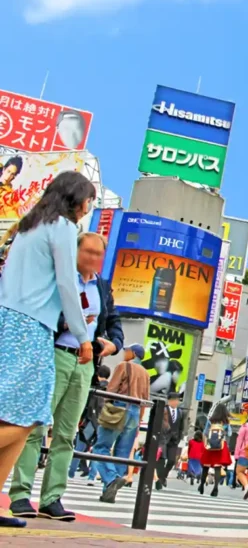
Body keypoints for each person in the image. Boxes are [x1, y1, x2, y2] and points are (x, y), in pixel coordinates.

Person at [0, 171, 95, 528]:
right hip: (31, 326)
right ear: (76, 199)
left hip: (8, 319)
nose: (89, 207)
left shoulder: (29, 225)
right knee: (28, 416)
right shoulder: (64, 229)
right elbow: (67, 284)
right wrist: (84, 336)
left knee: (13, 414)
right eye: (88, 199)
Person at [8, 230, 123, 521]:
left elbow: (113, 322)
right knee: (35, 428)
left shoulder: (103, 286)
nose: (94, 259)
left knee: (66, 434)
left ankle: (52, 498)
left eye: (99, 254)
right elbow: (45, 312)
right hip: (56, 353)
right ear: (76, 251)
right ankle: (21, 494)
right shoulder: (61, 278)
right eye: (88, 252)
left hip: (85, 363)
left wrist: (113, 344)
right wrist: (70, 323)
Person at [95, 344, 150, 504]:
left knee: (101, 447)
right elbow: (145, 399)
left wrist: (106, 404)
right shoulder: (145, 373)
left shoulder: (123, 366)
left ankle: (111, 479)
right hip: (135, 413)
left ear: (133, 353)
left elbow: (111, 389)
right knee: (123, 453)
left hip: (118, 409)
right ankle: (109, 491)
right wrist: (139, 419)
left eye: (126, 351)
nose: (124, 353)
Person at [68, 364, 111, 483]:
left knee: (79, 447)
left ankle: (70, 473)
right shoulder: (111, 388)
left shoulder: (94, 387)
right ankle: (92, 476)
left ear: (97, 375)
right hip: (104, 422)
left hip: (90, 420)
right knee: (97, 449)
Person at [199, 403, 232, 497]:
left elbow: (205, 432)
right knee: (217, 467)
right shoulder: (225, 422)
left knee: (206, 466)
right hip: (220, 446)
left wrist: (205, 443)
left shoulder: (210, 421)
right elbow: (229, 434)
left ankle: (201, 485)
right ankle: (215, 488)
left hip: (209, 445)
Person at [156, 392, 187, 491]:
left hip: (174, 440)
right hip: (163, 438)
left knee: (172, 460)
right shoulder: (163, 409)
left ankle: (163, 476)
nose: (175, 402)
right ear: (169, 400)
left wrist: (179, 438)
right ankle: (159, 480)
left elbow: (181, 427)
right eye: (174, 400)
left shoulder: (181, 412)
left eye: (177, 400)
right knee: (161, 459)